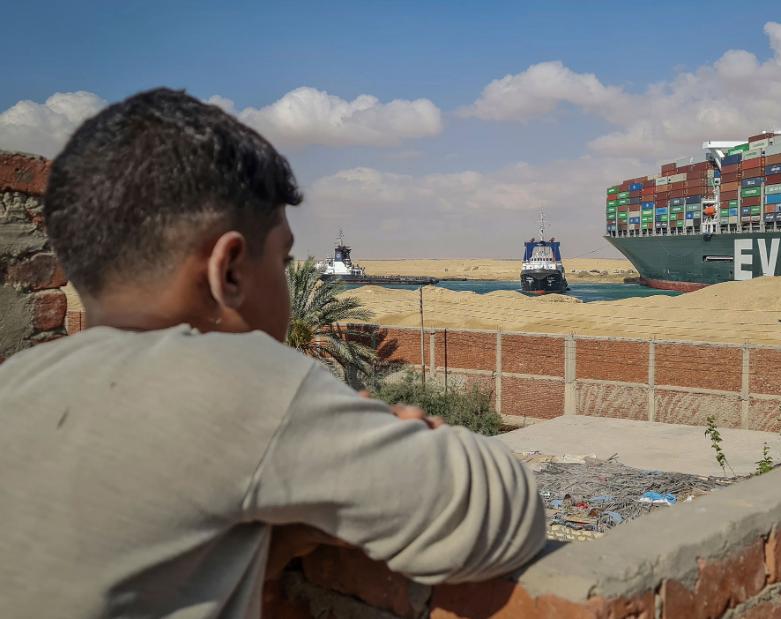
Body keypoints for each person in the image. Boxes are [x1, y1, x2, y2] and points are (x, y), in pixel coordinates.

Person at [0, 88, 545, 618]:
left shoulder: (19, 380)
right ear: (230, 271)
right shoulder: (232, 381)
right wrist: (398, 433)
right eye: (283, 264)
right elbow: (507, 514)